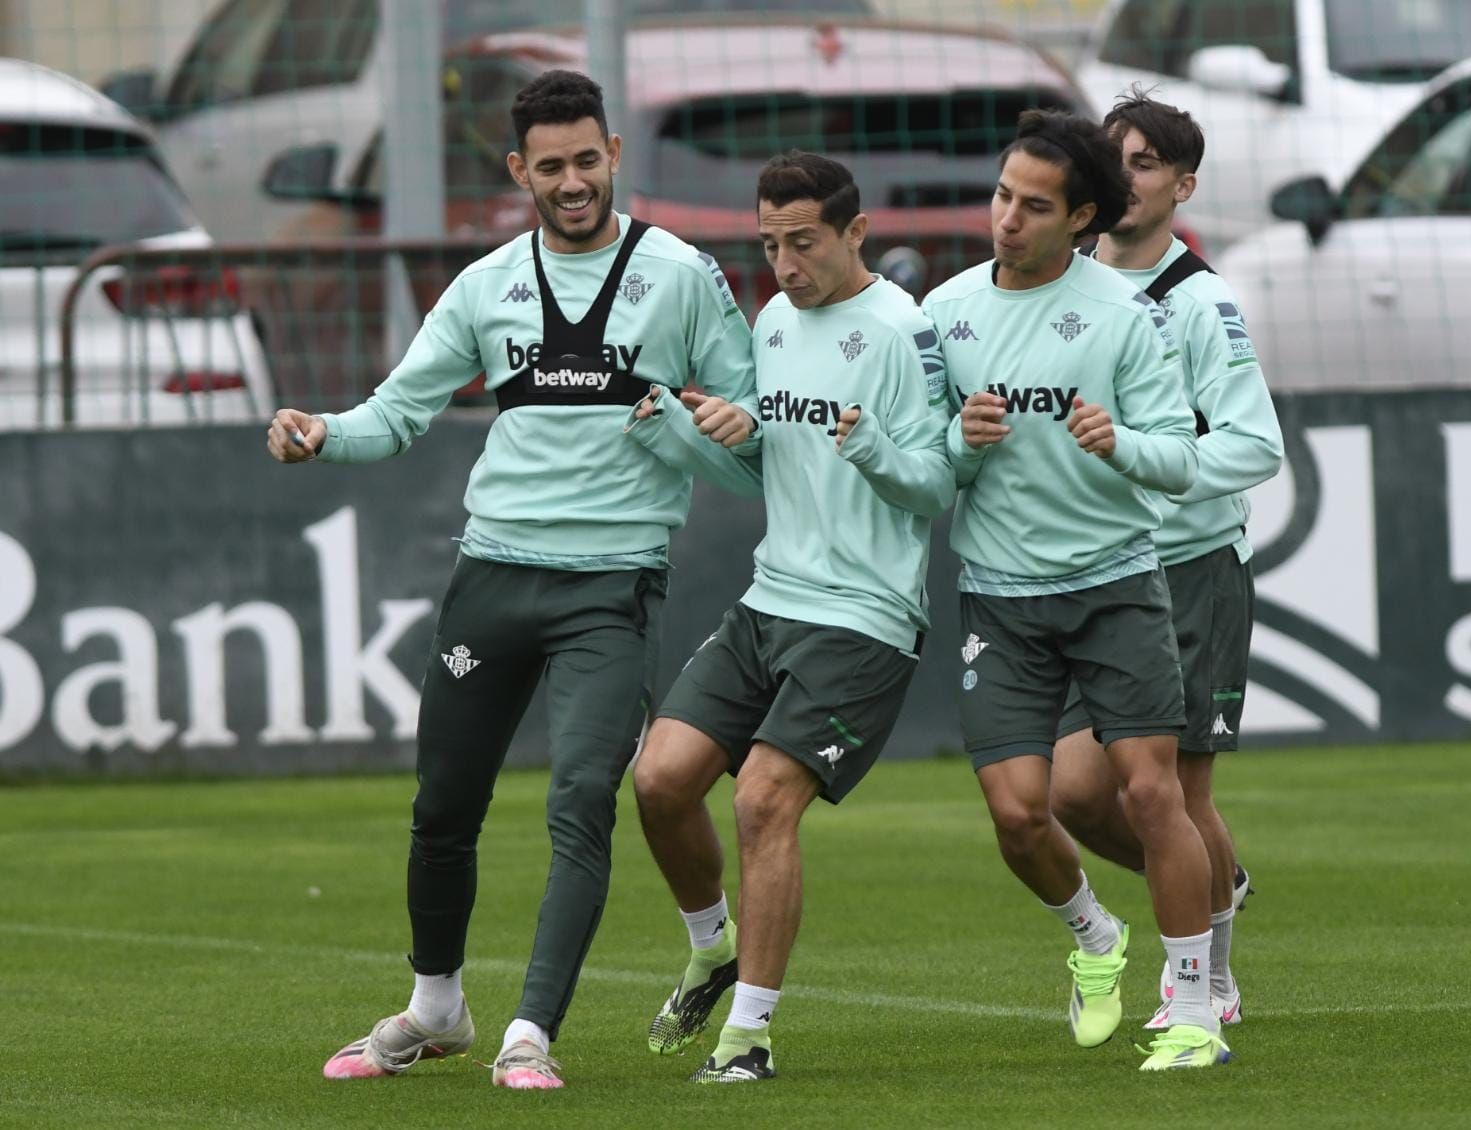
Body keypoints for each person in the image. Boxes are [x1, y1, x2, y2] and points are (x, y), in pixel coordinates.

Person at [265, 70, 761, 1092]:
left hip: (608, 590)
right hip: (490, 578)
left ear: (614, 153)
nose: (572, 181)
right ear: (517, 171)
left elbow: (750, 454)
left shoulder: (682, 277)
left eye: (587, 160)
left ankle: (531, 1031)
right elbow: (395, 413)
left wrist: (683, 421)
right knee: (443, 801)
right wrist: (320, 434)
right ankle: (436, 1006)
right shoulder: (486, 282)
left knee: (581, 798)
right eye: (551, 166)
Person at [623, 150, 954, 1083]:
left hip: (865, 615)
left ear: (856, 233)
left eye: (802, 242)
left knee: (763, 801)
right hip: (773, 598)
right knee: (657, 781)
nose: (785, 263)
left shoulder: (901, 332)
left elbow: (933, 488)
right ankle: (712, 944)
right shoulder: (771, 320)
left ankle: (748, 1038)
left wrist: (874, 447)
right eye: (770, 243)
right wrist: (700, 431)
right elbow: (765, 471)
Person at [925, 108, 1229, 1071]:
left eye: (1034, 205)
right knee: (1021, 815)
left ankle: (1191, 1011)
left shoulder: (1126, 320)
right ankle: (1097, 939)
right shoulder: (944, 313)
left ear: (1081, 216)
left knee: (1151, 792)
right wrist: (955, 444)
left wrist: (1119, 444)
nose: (1007, 218)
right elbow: (920, 470)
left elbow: (1182, 457)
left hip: (1114, 587)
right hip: (1000, 600)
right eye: (1003, 195)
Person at [1050, 90, 1282, 1031]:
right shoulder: (1062, 283)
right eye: (1115, 159)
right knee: (1071, 791)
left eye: (1147, 163)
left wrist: (1155, 462)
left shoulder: (1200, 302)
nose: (1126, 176)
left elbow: (1254, 445)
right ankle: (1210, 880)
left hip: (1188, 569)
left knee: (1178, 793)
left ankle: (1211, 982)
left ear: (1182, 186)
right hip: (1092, 567)